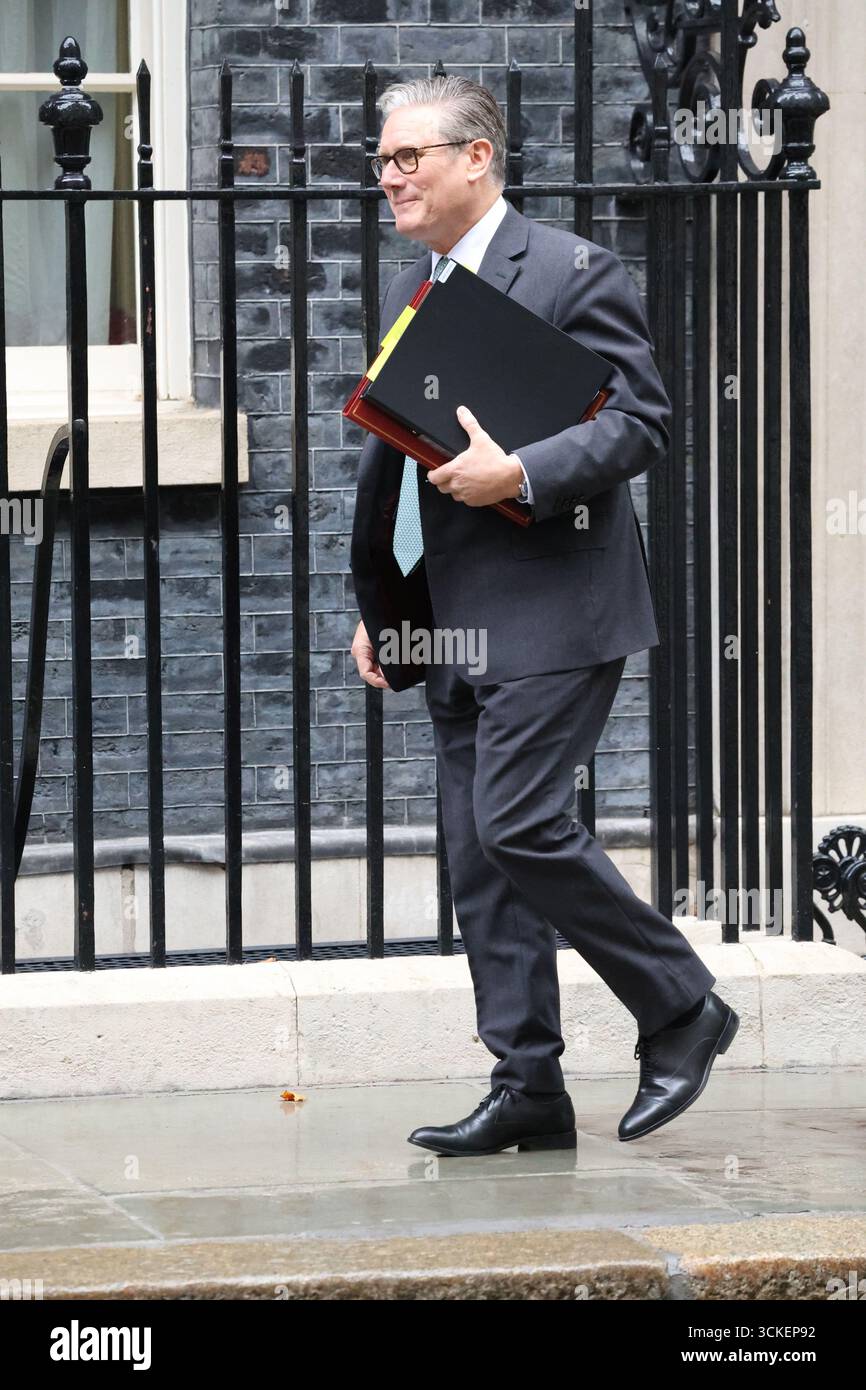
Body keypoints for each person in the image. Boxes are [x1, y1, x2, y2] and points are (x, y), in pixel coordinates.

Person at [349, 75, 738, 1156]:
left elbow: (641, 423)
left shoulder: (571, 272)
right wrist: (388, 613)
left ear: (476, 157)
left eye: (407, 156)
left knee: (520, 822)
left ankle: (678, 1005)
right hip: (453, 622)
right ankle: (526, 1085)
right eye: (381, 162)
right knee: (481, 857)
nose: (390, 177)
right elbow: (405, 476)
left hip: (559, 610)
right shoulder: (419, 289)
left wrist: (520, 469)